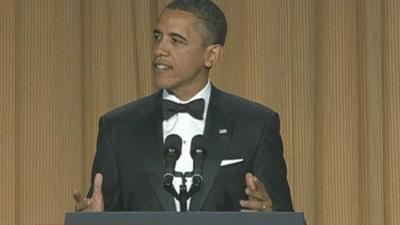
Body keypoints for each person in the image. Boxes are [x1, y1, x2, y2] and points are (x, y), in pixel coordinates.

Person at [73, 0, 293, 212]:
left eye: (176, 40)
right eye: (157, 37)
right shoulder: (118, 128)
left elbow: (285, 215)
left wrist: (272, 216)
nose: (160, 49)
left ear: (211, 55)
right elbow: (103, 211)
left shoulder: (256, 125)